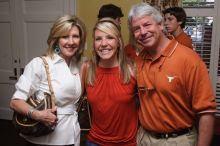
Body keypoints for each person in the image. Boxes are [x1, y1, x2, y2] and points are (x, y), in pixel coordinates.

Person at [128, 3, 216, 146]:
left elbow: (206, 111)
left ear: (161, 25)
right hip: (145, 138)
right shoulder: (138, 61)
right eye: (136, 29)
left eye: (147, 25)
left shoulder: (189, 59)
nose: (143, 32)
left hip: (178, 140)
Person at [10, 14, 86, 146]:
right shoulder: (40, 64)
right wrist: (38, 115)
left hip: (72, 135)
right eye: (65, 36)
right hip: (45, 139)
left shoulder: (79, 65)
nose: (71, 41)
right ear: (56, 39)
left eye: (75, 36)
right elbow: (15, 102)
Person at [83, 18, 138, 146]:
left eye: (109, 37)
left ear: (118, 42)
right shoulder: (86, 69)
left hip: (127, 143)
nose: (103, 43)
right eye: (98, 39)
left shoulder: (132, 70)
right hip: (94, 142)